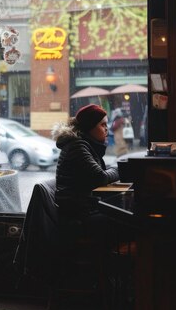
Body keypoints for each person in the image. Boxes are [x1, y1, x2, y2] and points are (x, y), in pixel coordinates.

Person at [52, 104, 133, 244]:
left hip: (85, 210)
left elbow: (98, 175)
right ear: (89, 127)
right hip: (78, 217)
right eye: (102, 124)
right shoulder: (77, 146)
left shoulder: (83, 145)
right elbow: (100, 177)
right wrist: (121, 168)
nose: (107, 129)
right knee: (132, 223)